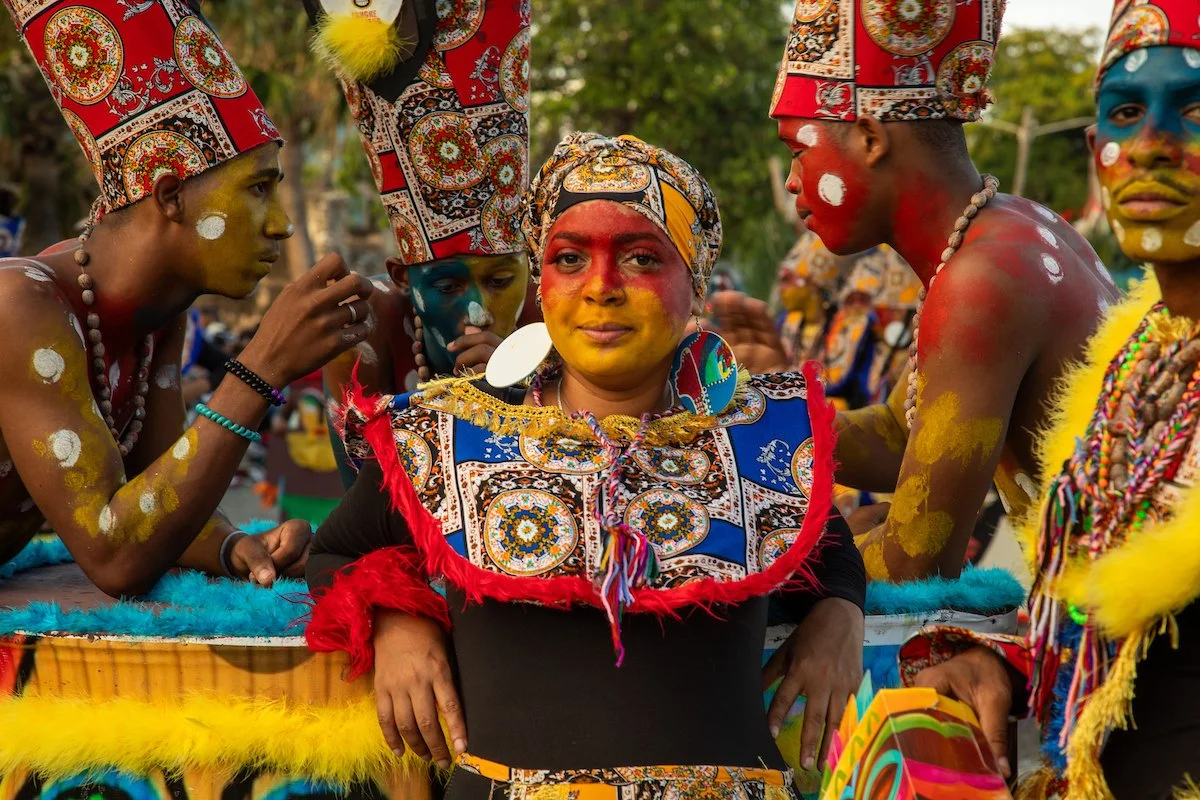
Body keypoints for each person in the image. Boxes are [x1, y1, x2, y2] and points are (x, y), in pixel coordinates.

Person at [305, 133, 866, 797]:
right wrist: (400, 621)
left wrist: (840, 615)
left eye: (639, 258)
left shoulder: (756, 433)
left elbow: (827, 550)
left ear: (696, 278)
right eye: (570, 258)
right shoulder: (448, 428)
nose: (600, 288)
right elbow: (336, 554)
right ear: (543, 281)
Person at [904, 3, 1200, 797]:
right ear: (1093, 149)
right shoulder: (1133, 357)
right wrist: (1006, 661)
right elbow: (1115, 625)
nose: (1151, 146)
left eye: (1197, 111)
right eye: (1126, 113)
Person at [724, 0, 1120, 581]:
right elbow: (896, 435)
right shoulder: (1014, 229)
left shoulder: (982, 279)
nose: (791, 181)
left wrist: (744, 576)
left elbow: (918, 557)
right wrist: (743, 413)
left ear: (867, 137)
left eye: (798, 150)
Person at [0, 0, 374, 596]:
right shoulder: (20, 304)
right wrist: (260, 368)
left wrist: (232, 547)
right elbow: (114, 556)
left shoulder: (155, 320)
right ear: (170, 196)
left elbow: (151, 496)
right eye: (256, 190)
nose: (281, 225)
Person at [314, 0, 533, 425]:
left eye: (502, 280)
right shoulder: (366, 330)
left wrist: (510, 398)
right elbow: (366, 484)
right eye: (448, 286)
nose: (477, 313)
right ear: (402, 278)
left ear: (531, 268)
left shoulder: (560, 328)